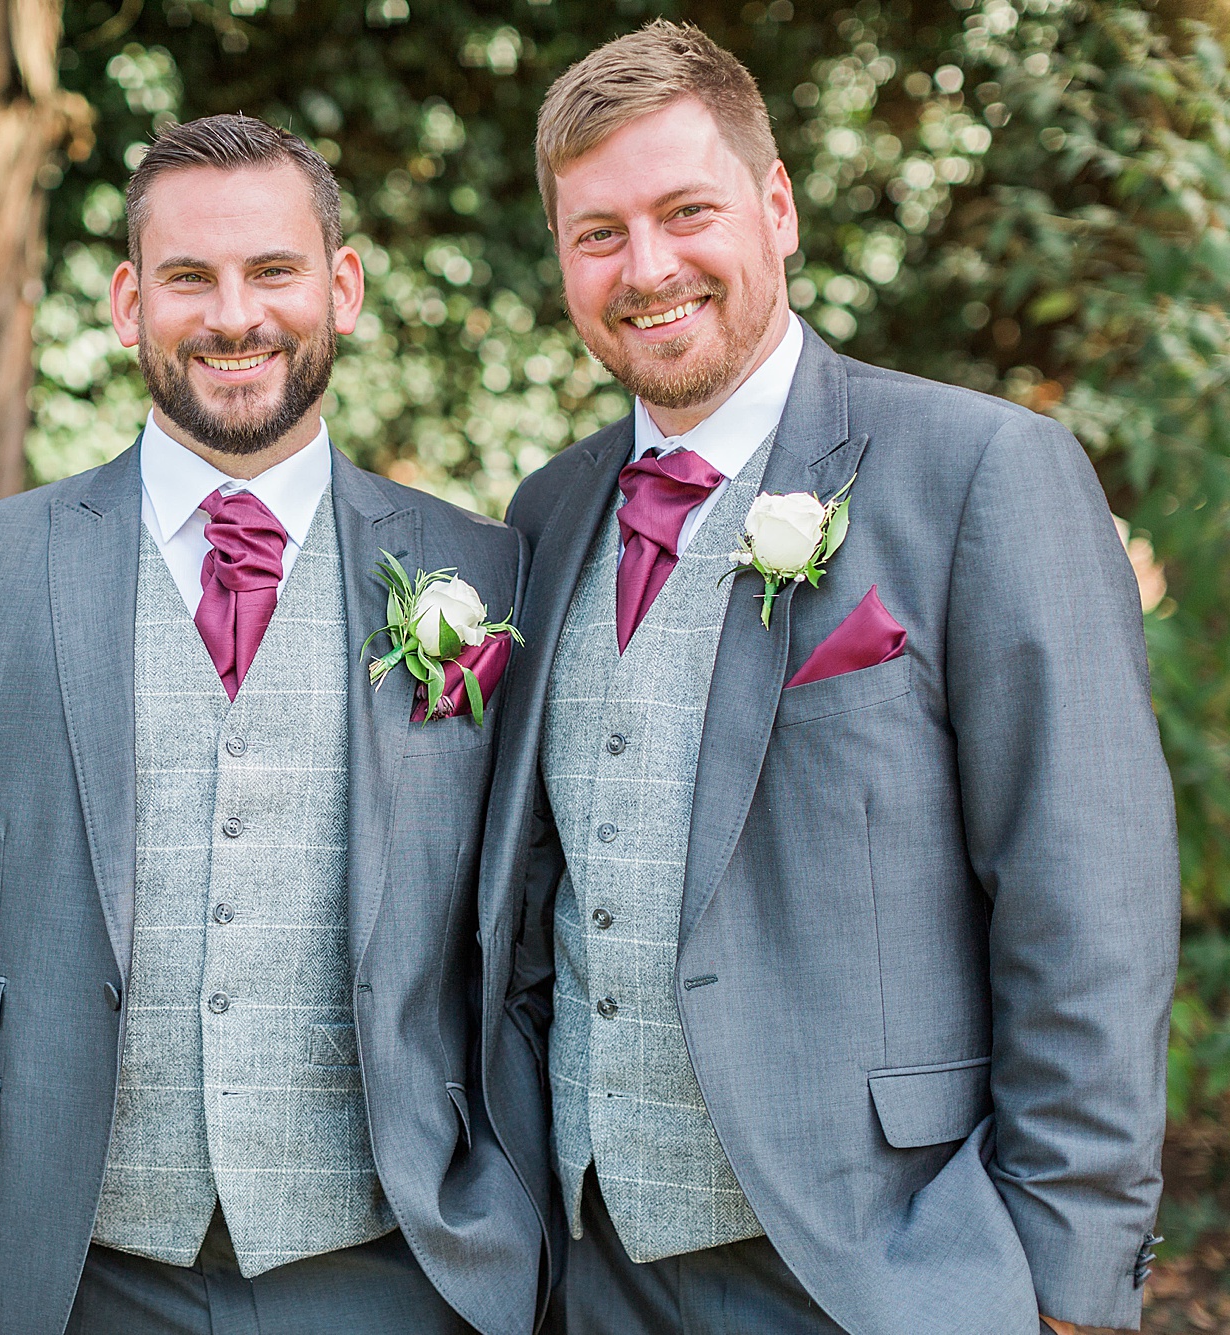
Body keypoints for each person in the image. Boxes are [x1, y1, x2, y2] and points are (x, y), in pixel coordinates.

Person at [477, 20, 1180, 1335]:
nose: (650, 267)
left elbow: (1087, 892)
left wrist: (1074, 1282)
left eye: (689, 211)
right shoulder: (548, 511)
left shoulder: (978, 472)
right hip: (591, 1263)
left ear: (778, 206)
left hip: (891, 1265)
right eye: (600, 232)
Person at [0, 114, 543, 1335]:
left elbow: (521, 948)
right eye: (188, 277)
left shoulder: (480, 573)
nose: (232, 315)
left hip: (395, 1270)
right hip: (61, 1270)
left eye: (273, 271)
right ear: (125, 300)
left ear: (341, 287)